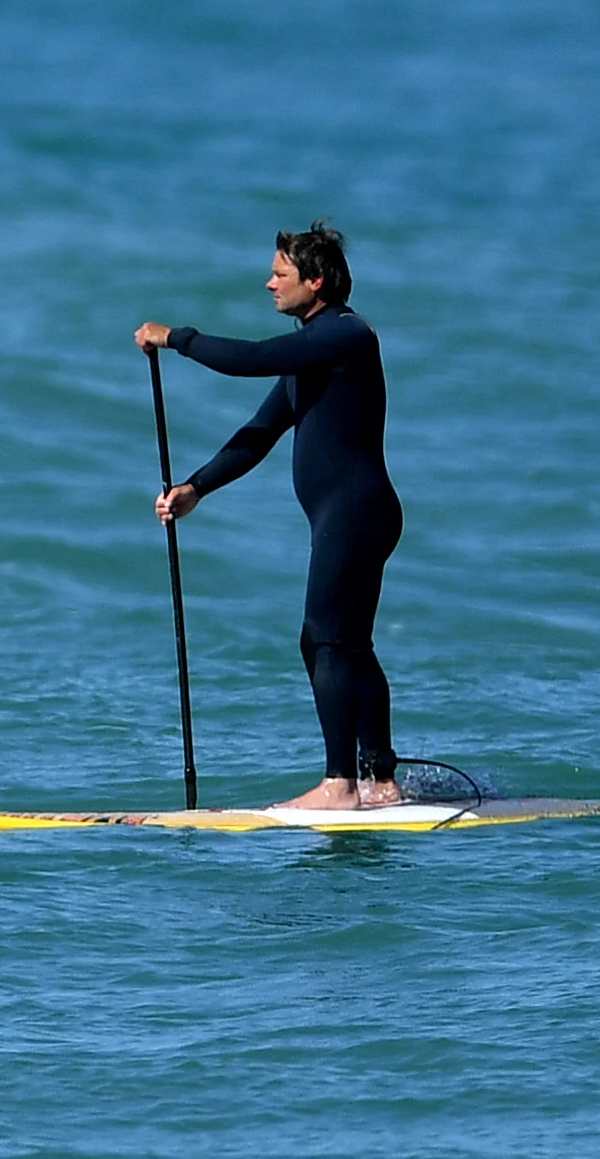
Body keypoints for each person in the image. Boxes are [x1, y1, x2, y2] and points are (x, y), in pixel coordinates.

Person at [140, 223, 405, 813]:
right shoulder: (313, 353)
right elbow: (259, 435)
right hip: (353, 513)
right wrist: (196, 487)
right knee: (349, 644)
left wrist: (175, 338)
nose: (269, 283)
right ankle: (381, 783)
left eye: (281, 274)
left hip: (356, 511)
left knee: (325, 640)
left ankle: (340, 785)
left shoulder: (345, 336)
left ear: (315, 281)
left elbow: (251, 358)